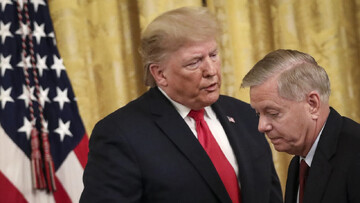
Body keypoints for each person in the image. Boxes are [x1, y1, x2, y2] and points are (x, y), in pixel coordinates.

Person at [80, 7, 282, 203]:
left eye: (213, 55)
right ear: (160, 74)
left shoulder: (246, 115)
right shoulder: (121, 134)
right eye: (194, 62)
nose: (211, 70)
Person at [241, 49, 360, 203]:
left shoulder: (356, 155)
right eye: (258, 114)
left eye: (272, 113)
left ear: (312, 104)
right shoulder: (299, 163)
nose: (261, 127)